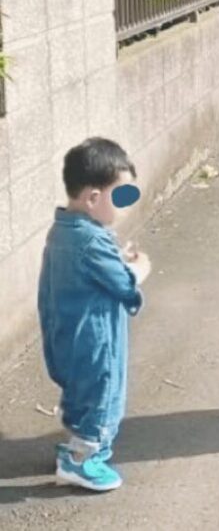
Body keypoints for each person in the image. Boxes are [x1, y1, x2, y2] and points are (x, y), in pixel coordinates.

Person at [38, 137, 151, 491]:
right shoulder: (91, 240)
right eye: (120, 197)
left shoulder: (65, 230)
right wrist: (139, 268)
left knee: (81, 393)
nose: (123, 206)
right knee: (104, 398)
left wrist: (116, 258)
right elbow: (121, 284)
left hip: (67, 334)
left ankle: (75, 445)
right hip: (94, 339)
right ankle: (82, 461)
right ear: (93, 198)